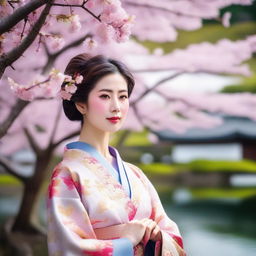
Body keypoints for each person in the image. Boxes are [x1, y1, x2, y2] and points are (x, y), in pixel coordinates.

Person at [47, 54, 185, 256]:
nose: (116, 107)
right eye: (105, 96)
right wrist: (126, 241)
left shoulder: (135, 174)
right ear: (81, 104)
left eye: (122, 96)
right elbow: (69, 248)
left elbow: (171, 232)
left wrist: (156, 236)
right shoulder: (66, 174)